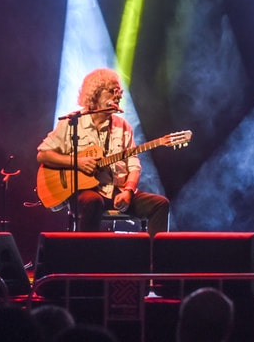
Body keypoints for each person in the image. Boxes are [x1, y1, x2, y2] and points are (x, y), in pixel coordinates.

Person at [38, 68, 170, 234]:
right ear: (96, 94)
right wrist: (77, 163)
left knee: (160, 204)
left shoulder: (123, 126)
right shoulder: (72, 123)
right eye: (113, 91)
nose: (118, 96)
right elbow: (43, 155)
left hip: (118, 192)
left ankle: (155, 252)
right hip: (86, 193)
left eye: (120, 92)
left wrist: (128, 191)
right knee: (92, 201)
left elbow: (134, 166)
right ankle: (89, 250)